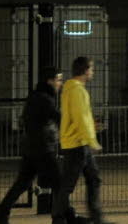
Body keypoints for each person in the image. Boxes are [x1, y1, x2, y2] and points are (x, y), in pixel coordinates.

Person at [0, 67, 69, 224]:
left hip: (31, 147)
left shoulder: (34, 97)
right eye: (59, 79)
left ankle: (1, 217)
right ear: (50, 80)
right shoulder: (45, 99)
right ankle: (65, 218)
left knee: (22, 184)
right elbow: (57, 118)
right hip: (43, 148)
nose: (61, 83)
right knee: (59, 184)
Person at [53, 57, 106, 224]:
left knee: (93, 178)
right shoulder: (77, 91)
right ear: (85, 70)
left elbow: (81, 117)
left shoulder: (70, 88)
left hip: (76, 142)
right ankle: (58, 218)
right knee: (70, 184)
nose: (92, 72)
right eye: (91, 69)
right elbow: (80, 118)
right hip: (78, 143)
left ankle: (95, 217)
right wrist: (93, 141)